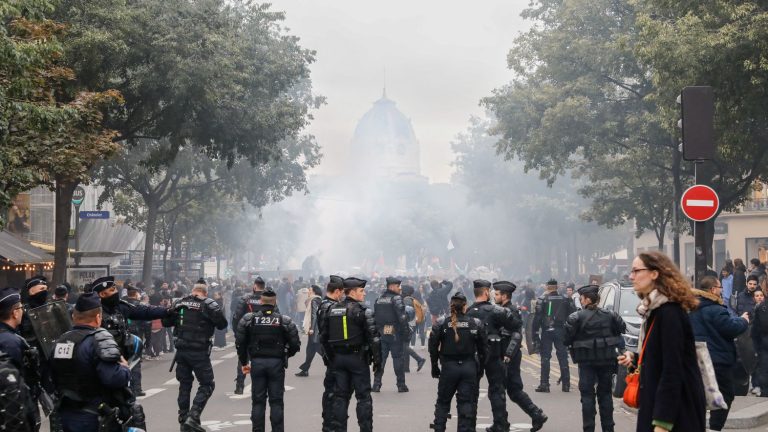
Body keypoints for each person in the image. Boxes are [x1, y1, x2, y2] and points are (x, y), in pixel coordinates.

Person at [617, 251, 706, 432]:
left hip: (674, 415)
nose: (631, 276)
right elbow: (659, 357)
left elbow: (673, 369)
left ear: (654, 274)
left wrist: (662, 423)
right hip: (660, 408)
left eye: (636, 271)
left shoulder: (669, 312)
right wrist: (634, 358)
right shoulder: (655, 311)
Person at [50, 292, 137, 432]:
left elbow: (52, 377)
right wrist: (125, 369)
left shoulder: (60, 341)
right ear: (98, 317)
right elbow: (113, 378)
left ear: (73, 316)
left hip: (65, 414)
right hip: (94, 415)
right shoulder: (98, 339)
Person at [163, 278, 228, 431]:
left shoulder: (180, 303)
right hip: (199, 351)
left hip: (181, 351)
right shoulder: (209, 304)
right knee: (207, 384)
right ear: (205, 293)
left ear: (193, 291)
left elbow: (166, 322)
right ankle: (193, 416)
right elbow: (222, 325)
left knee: (184, 385)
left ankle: (183, 419)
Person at [321, 277, 381, 432]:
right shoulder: (363, 311)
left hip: (338, 359)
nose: (364, 293)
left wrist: (330, 358)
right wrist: (377, 361)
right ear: (352, 292)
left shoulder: (331, 310)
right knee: (363, 398)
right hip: (357, 359)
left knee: (340, 398)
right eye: (361, 291)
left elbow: (323, 337)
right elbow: (374, 338)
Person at [236, 288, 300, 432]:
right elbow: (296, 344)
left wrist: (244, 361)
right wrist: (286, 354)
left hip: (257, 363)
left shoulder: (249, 319)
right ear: (275, 302)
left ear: (261, 301)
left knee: (258, 402)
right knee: (276, 402)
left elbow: (240, 343)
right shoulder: (284, 320)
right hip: (276, 363)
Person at [690, 275, 749, 430]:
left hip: (697, 359)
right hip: (718, 360)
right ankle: (714, 428)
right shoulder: (715, 309)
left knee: (700, 395)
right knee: (725, 395)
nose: (722, 291)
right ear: (713, 289)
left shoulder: (692, 308)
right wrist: (743, 321)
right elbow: (730, 328)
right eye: (720, 288)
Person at [564, 285, 625, 432]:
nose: (580, 300)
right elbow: (620, 330)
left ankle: (589, 428)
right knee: (605, 395)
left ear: (587, 299)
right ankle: (608, 429)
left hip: (586, 363)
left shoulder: (576, 317)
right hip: (607, 361)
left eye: (581, 298)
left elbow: (566, 339)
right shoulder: (611, 315)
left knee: (587, 396)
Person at [466, 279, 522, 432]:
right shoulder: (497, 311)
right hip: (494, 353)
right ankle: (500, 424)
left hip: (475, 355)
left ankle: (469, 425)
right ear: (485, 292)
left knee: (472, 391)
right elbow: (516, 325)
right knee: (497, 390)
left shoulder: (468, 311)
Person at [428, 291, 487, 432]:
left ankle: (439, 428)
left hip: (448, 368)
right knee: (466, 405)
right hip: (468, 367)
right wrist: (480, 368)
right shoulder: (475, 323)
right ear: (465, 306)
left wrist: (434, 366)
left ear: (451, 306)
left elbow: (433, 346)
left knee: (442, 403)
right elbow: (484, 349)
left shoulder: (442, 323)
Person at [493, 281, 548, 431]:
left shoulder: (509, 311)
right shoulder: (503, 309)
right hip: (508, 354)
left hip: (508, 355)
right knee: (513, 391)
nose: (494, 296)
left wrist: (507, 355)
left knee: (500, 390)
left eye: (497, 294)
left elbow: (516, 335)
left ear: (504, 296)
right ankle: (536, 414)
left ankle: (501, 424)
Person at [0, 287, 41, 430]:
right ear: (14, 312)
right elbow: (14, 380)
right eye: (21, 308)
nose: (23, 311)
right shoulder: (10, 342)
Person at [532, 278, 576, 392]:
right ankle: (566, 384)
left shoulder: (542, 299)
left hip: (547, 331)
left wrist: (535, 334)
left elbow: (537, 319)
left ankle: (544, 384)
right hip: (561, 330)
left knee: (545, 357)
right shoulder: (566, 299)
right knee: (563, 357)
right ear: (557, 287)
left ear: (547, 287)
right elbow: (573, 316)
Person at [315, 275, 345, 432]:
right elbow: (325, 336)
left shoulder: (324, 305)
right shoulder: (330, 307)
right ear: (338, 291)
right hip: (334, 356)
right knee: (333, 393)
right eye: (343, 293)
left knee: (331, 392)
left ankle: (329, 424)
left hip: (330, 355)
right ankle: (329, 425)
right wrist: (331, 357)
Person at [232, 277, 269, 394]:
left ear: (254, 286)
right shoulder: (269, 300)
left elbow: (236, 318)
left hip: (247, 335)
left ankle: (240, 385)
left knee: (244, 361)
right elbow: (276, 318)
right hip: (264, 336)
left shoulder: (245, 299)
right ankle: (260, 386)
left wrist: (237, 334)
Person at [372, 276, 410, 392]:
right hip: (394, 332)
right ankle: (401, 385)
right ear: (392, 286)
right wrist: (406, 332)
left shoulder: (379, 299)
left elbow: (375, 316)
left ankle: (376, 384)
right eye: (398, 286)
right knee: (398, 358)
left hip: (381, 332)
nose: (400, 289)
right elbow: (402, 317)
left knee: (381, 359)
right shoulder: (396, 299)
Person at [122, 285, 146, 397]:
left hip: (123, 336)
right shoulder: (139, 306)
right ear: (136, 294)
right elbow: (146, 324)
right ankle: (136, 388)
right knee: (135, 362)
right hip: (136, 337)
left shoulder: (121, 304)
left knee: (123, 361)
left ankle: (126, 388)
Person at [296, 285, 324, 376]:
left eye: (310, 290)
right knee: (310, 350)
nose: (308, 292)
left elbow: (314, 315)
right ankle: (305, 369)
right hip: (316, 329)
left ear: (314, 292)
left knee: (319, 349)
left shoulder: (314, 300)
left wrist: (311, 328)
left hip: (314, 330)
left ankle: (334, 365)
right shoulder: (319, 300)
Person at [401, 284, 427, 373]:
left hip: (407, 326)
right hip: (410, 325)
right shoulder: (411, 299)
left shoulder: (406, 300)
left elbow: (406, 314)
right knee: (405, 345)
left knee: (403, 346)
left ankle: (419, 359)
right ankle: (406, 368)